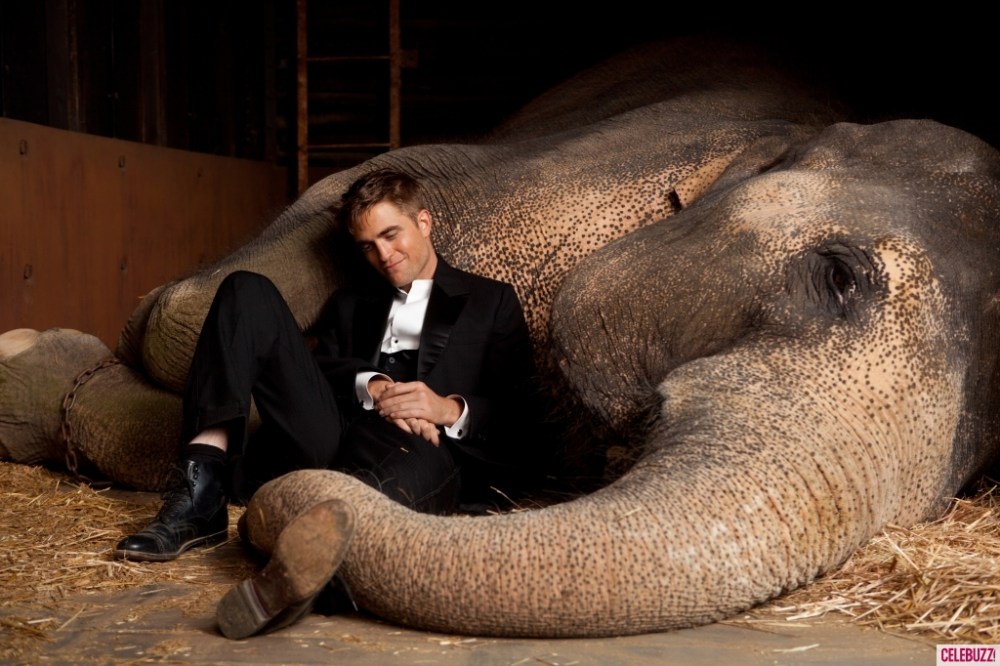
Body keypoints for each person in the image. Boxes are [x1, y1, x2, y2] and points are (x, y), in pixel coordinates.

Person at [112, 169, 541, 632]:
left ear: (424, 222)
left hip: (424, 450)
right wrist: (373, 385)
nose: (383, 256)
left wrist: (446, 409)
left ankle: (299, 587)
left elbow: (523, 415)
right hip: (336, 433)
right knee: (245, 289)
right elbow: (321, 371)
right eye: (367, 246)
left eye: (391, 235)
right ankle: (201, 494)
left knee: (371, 504)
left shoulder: (491, 301)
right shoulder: (351, 303)